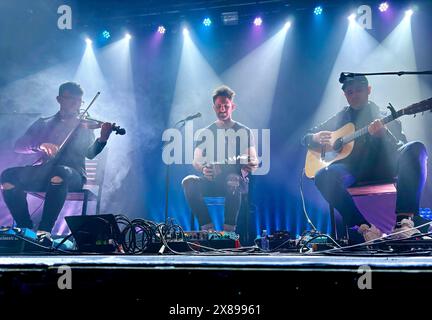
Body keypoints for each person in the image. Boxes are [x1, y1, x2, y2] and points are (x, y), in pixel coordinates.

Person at [303, 75, 428, 242]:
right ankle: (365, 229)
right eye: (350, 92)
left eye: (359, 90)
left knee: (415, 148)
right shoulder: (341, 117)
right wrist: (314, 137)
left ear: (369, 90)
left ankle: (403, 222)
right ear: (345, 95)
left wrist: (384, 136)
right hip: (353, 168)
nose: (354, 95)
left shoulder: (383, 115)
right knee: (322, 175)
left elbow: (402, 149)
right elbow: (306, 137)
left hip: (384, 166)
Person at [0, 82, 113, 243]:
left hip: (73, 175)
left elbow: (90, 153)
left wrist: (103, 138)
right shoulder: (44, 123)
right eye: (71, 99)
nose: (76, 104)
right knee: (7, 176)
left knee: (59, 172)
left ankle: (44, 231)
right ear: (59, 99)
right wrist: (40, 144)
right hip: (44, 173)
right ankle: (25, 228)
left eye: (79, 101)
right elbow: (19, 145)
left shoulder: (84, 125)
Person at [182, 85, 258, 237]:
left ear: (232, 107)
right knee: (188, 181)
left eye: (226, 106)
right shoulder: (206, 132)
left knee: (232, 179)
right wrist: (203, 169)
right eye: (219, 106)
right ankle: (208, 230)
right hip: (212, 182)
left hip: (236, 183)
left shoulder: (244, 131)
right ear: (214, 107)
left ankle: (227, 234)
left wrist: (250, 163)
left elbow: (253, 160)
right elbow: (196, 160)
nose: (222, 109)